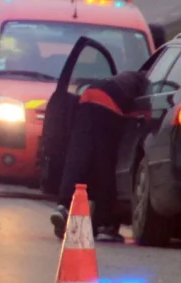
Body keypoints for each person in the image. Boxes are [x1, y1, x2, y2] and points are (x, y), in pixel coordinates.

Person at [50, 70, 149, 243]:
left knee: (79, 155)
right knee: (105, 164)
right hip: (108, 105)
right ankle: (105, 226)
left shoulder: (126, 78)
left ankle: (63, 206)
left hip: (87, 96)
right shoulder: (148, 80)